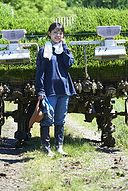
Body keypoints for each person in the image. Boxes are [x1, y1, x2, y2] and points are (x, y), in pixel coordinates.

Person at [35, 22, 76, 156]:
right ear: (49, 34)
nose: (58, 35)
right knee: (47, 118)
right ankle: (46, 149)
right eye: (55, 32)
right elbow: (40, 72)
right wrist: (40, 91)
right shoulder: (44, 50)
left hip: (64, 89)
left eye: (60, 33)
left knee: (60, 119)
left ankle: (59, 147)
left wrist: (64, 46)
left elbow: (69, 63)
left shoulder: (64, 49)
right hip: (50, 90)